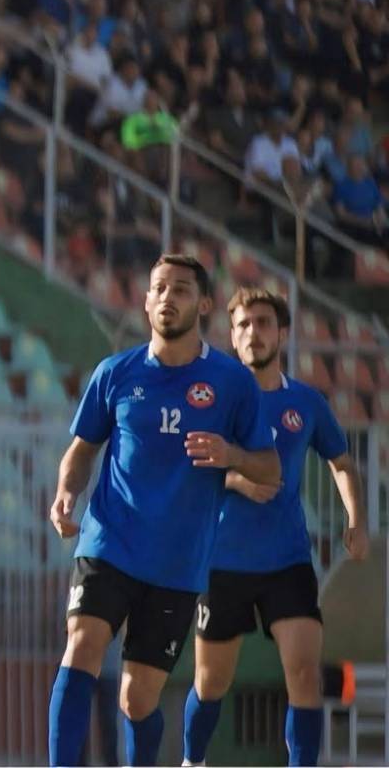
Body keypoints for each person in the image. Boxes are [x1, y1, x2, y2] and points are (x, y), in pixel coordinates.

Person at [46, 254, 278, 767]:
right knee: (82, 644)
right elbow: (81, 451)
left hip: (176, 565)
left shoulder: (231, 382)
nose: (168, 298)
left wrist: (232, 455)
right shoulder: (116, 373)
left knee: (137, 698)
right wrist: (67, 492)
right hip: (109, 541)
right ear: (147, 301)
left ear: (205, 304)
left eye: (181, 289)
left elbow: (270, 470)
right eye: (159, 288)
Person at [182, 288, 368, 768]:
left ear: (282, 334)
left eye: (263, 323)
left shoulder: (304, 402)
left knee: (304, 672)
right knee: (211, 682)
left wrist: (357, 520)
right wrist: (239, 480)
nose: (253, 332)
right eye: (243, 324)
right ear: (232, 334)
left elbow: (342, 462)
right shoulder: (211, 400)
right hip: (222, 561)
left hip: (287, 560)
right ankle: (193, 761)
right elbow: (185, 470)